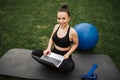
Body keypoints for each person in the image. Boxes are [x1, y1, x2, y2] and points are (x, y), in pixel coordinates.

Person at [31, 5, 78, 73]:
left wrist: (68, 54)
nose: (60, 21)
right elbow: (51, 38)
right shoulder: (56, 26)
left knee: (69, 67)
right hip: (54, 53)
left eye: (63, 18)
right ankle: (55, 65)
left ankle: (51, 64)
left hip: (64, 56)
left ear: (69, 18)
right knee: (35, 53)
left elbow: (76, 44)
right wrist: (48, 48)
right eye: (59, 18)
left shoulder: (72, 32)